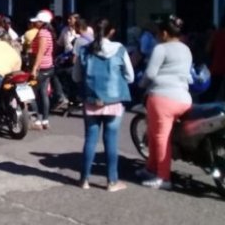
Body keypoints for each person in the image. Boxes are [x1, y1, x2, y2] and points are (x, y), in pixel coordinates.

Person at [73, 18, 133, 192]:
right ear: (111, 32)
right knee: (111, 140)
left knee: (90, 139)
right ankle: (112, 182)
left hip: (91, 100)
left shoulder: (85, 50)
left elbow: (76, 77)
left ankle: (84, 180)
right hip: (114, 101)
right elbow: (130, 77)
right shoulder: (120, 49)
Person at [138, 15, 192, 190]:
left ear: (164, 33)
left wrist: (141, 84)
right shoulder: (186, 49)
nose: (156, 36)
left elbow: (151, 74)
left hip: (162, 98)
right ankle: (150, 168)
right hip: (184, 98)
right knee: (155, 134)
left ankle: (163, 177)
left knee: (160, 138)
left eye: (157, 33)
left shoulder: (161, 49)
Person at [29, 9, 65, 129]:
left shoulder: (43, 33)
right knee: (43, 93)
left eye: (37, 22)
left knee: (31, 93)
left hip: (42, 67)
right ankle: (45, 120)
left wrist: (34, 68)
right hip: (48, 66)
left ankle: (37, 120)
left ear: (42, 22)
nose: (35, 23)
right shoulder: (48, 32)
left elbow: (41, 52)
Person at [206, 13, 225, 102]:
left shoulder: (216, 34)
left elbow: (208, 49)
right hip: (219, 67)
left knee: (213, 93)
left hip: (217, 67)